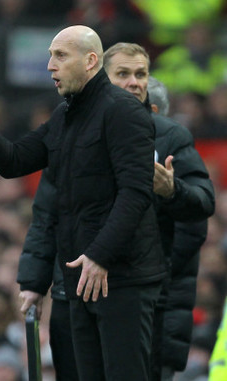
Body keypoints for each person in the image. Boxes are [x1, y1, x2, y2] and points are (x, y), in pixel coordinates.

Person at [0, 25, 166, 380]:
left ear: (91, 60)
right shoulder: (65, 115)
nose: (50, 65)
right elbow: (13, 161)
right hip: (81, 279)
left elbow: (136, 193)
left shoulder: (124, 111)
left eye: (60, 55)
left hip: (123, 278)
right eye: (50, 55)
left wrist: (101, 254)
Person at [103, 43, 215, 381]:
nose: (133, 83)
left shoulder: (172, 141)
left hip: (158, 298)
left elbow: (196, 217)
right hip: (116, 291)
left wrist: (151, 269)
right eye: (123, 74)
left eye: (140, 75)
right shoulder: (87, 134)